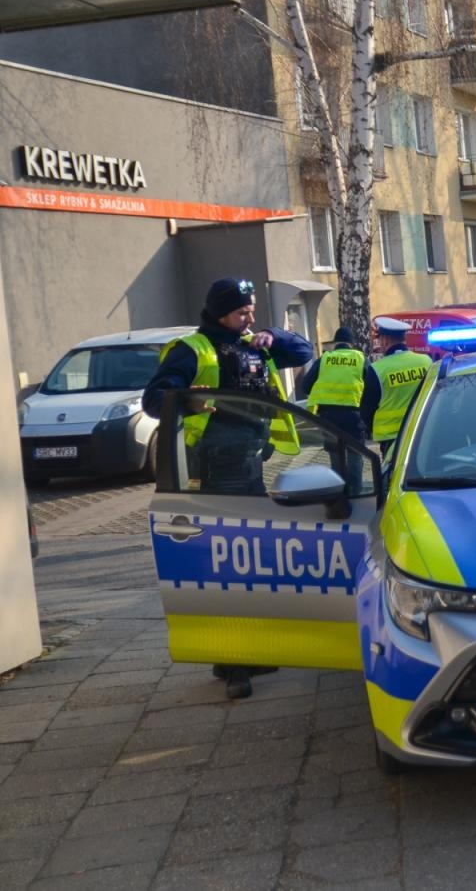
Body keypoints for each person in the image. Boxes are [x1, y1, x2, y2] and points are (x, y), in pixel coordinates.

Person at [142, 276, 313, 699]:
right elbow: (153, 398)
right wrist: (189, 397)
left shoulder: (253, 342)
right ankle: (237, 665)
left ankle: (240, 655)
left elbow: (304, 351)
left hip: (250, 463)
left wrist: (273, 336)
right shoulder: (193, 350)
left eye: (252, 309)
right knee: (231, 568)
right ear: (220, 312)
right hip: (216, 468)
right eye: (242, 311)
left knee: (249, 564)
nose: (250, 316)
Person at [299, 326, 381, 476]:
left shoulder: (324, 359)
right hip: (354, 415)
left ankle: (338, 490)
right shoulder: (361, 359)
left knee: (335, 456)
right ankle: (356, 492)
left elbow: (305, 386)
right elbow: (372, 388)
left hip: (328, 416)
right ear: (352, 343)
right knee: (355, 454)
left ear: (335, 343)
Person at [370, 316, 431, 454]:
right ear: (404, 339)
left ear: (385, 340)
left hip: (391, 439)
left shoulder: (377, 369)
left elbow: (367, 408)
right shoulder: (426, 361)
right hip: (422, 432)